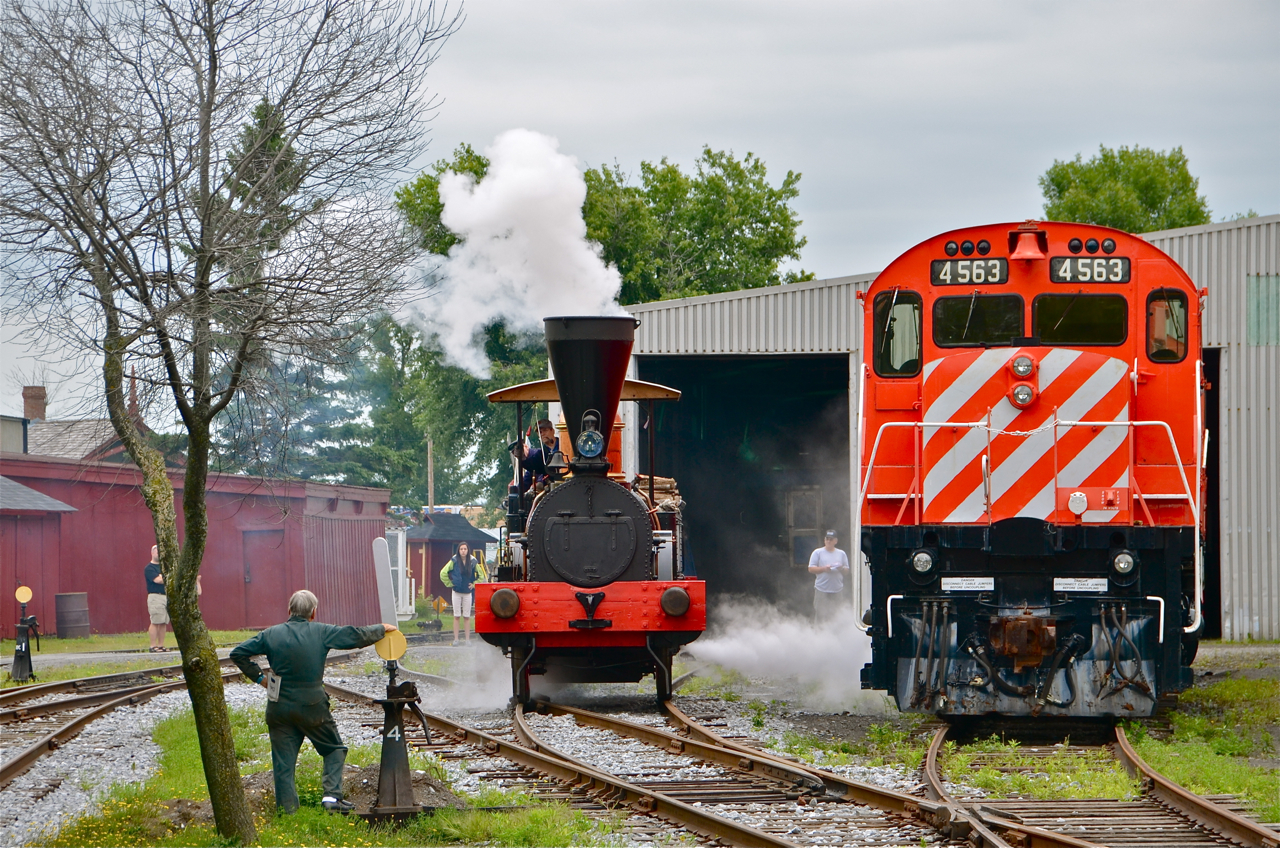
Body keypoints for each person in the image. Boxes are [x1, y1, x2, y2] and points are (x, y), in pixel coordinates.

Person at [230, 590, 396, 814]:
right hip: (312, 705)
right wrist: (380, 629)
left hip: (279, 706)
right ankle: (331, 798)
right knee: (334, 749)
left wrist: (260, 678)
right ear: (313, 613)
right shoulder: (321, 631)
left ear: (289, 611)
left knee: (283, 765)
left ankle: (288, 813)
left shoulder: (270, 634)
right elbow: (353, 636)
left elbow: (238, 653)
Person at [144, 545, 200, 652]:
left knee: (164, 622)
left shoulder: (164, 567)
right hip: (156, 596)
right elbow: (158, 580)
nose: (158, 554)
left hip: (167, 596)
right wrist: (168, 577)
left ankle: (161, 645)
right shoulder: (149, 568)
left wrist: (164, 576)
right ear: (152, 553)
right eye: (156, 552)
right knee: (155, 621)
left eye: (160, 552)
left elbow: (167, 578)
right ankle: (152, 646)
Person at [439, 542, 487, 646]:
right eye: (461, 549)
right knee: (456, 615)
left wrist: (474, 584)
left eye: (465, 549)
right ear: (458, 550)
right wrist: (449, 583)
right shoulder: (454, 560)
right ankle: (456, 639)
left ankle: (467, 639)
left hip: (467, 592)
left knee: (466, 616)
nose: (463, 551)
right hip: (456, 591)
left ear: (468, 550)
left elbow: (481, 575)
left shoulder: (473, 561)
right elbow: (443, 572)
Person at [808, 530, 850, 621]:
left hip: (837, 589)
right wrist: (824, 569)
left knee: (837, 614)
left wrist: (841, 568)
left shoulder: (841, 553)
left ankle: (836, 633)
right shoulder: (817, 552)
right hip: (821, 589)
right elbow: (811, 568)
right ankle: (818, 633)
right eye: (827, 539)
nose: (829, 541)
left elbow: (846, 571)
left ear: (836, 541)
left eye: (831, 539)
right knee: (820, 614)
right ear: (824, 540)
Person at [516, 418, 561, 494]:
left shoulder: (566, 446)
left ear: (552, 431)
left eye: (545, 430)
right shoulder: (539, 455)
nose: (542, 434)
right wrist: (521, 457)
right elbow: (531, 466)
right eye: (540, 432)